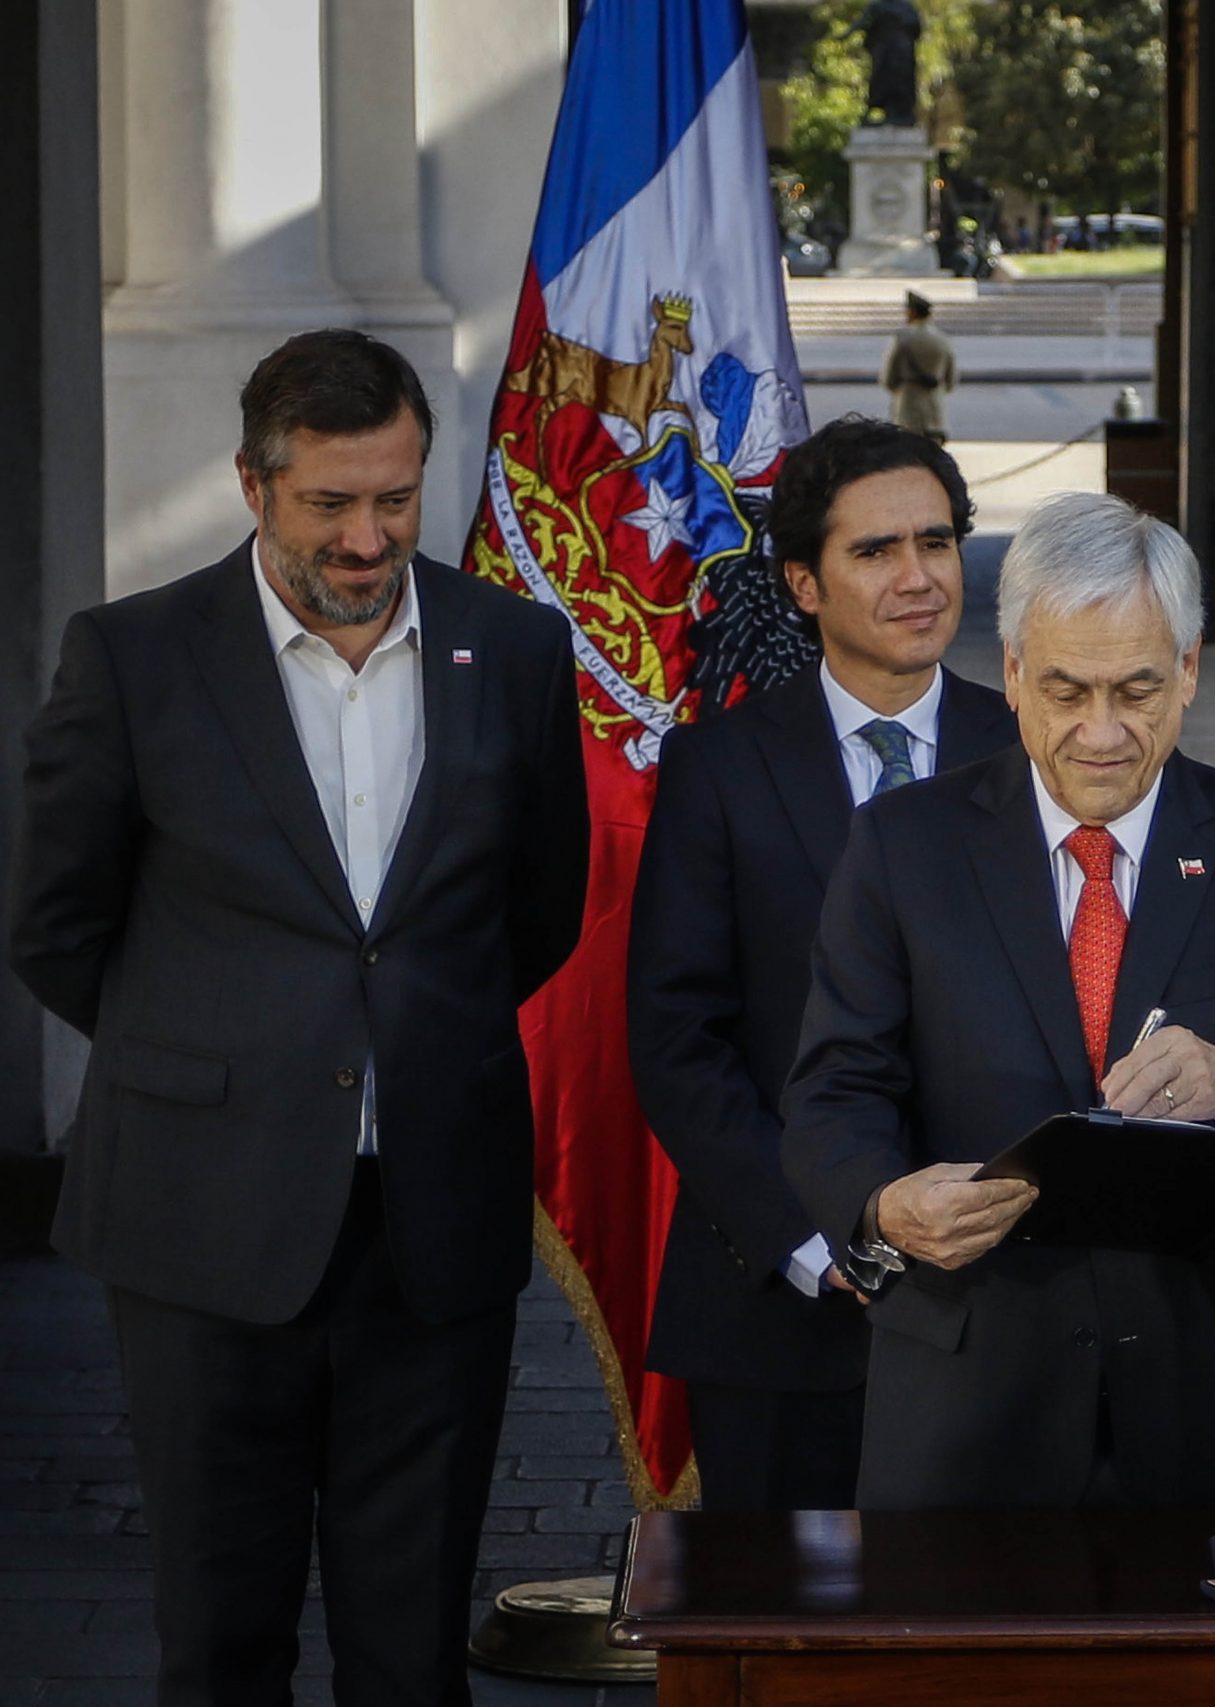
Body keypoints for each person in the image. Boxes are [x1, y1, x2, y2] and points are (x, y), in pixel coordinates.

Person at [8, 329, 589, 1705]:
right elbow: (54, 923)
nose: (368, 534)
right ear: (253, 486)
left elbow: (539, 907)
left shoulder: (514, 648)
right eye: (331, 502)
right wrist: (219, 1054)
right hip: (201, 1222)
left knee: (410, 1652)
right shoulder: (133, 657)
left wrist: (404, 1042)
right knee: (220, 1640)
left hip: (432, 1224)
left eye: (394, 496)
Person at [779, 491, 1215, 1509]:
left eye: (1138, 690)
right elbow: (832, 1093)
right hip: (968, 1395)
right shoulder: (903, 847)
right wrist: (885, 1206)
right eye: (1066, 691)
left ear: (1190, 670)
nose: (1101, 733)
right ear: (1012, 672)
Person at [627, 418, 1016, 1511]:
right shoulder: (718, 768)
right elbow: (677, 1038)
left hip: (1001, 1308)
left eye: (936, 544)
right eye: (875, 551)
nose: (918, 578)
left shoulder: (1032, 750)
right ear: (803, 584)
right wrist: (824, 1239)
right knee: (788, 1651)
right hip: (779, 1307)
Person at [881, 290, 957, 444]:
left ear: (912, 312)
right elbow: (951, 379)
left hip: (908, 405)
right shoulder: (942, 339)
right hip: (934, 408)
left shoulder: (903, 338)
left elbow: (889, 377)